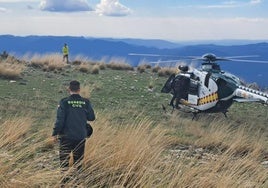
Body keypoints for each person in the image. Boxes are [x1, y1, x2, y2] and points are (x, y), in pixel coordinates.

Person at [52, 80, 95, 183]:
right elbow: (92, 117)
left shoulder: (64, 102)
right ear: (79, 90)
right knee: (78, 164)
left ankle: (64, 184)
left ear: (69, 90)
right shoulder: (86, 102)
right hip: (80, 137)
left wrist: (54, 134)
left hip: (66, 137)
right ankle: (77, 184)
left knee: (64, 163)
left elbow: (60, 120)